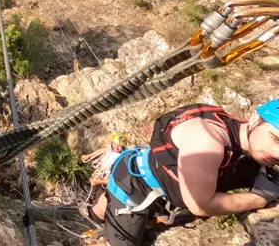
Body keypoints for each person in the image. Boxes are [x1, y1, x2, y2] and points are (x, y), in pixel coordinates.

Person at [96, 100, 279, 246]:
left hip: (141, 170)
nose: (277, 153)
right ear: (255, 120)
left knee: (108, 208)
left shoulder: (232, 126)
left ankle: (98, 208)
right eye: (275, 138)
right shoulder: (208, 143)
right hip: (134, 188)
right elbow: (201, 206)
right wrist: (260, 198)